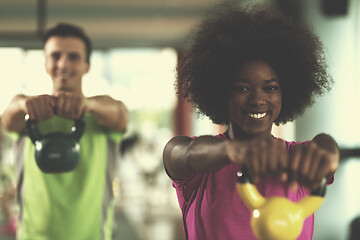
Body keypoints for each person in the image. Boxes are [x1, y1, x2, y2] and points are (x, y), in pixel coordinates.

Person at [163, 3, 339, 240]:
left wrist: (327, 150)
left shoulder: (299, 159)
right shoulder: (198, 166)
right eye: (243, 88)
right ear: (222, 93)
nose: (257, 99)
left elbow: (326, 150)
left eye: (270, 88)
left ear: (286, 93)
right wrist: (235, 150)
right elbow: (183, 153)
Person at [1, 23, 128, 240]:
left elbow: (120, 114)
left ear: (87, 65)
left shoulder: (100, 114)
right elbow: (7, 119)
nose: (63, 64)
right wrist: (23, 103)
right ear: (46, 63)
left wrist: (86, 105)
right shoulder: (30, 116)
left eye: (73, 57)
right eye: (56, 55)